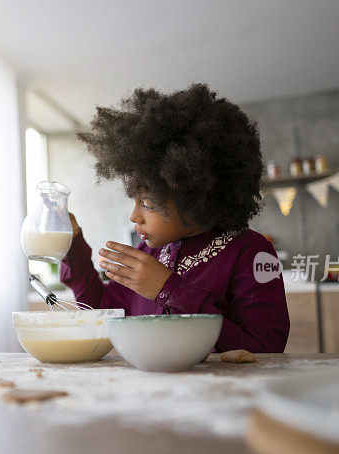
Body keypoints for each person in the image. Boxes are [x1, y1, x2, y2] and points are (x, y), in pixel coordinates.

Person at [60, 84, 289, 353]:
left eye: (147, 203)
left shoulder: (251, 252)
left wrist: (168, 289)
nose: (134, 216)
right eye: (134, 201)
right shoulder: (148, 253)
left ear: (192, 193)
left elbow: (264, 350)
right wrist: (72, 244)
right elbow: (101, 312)